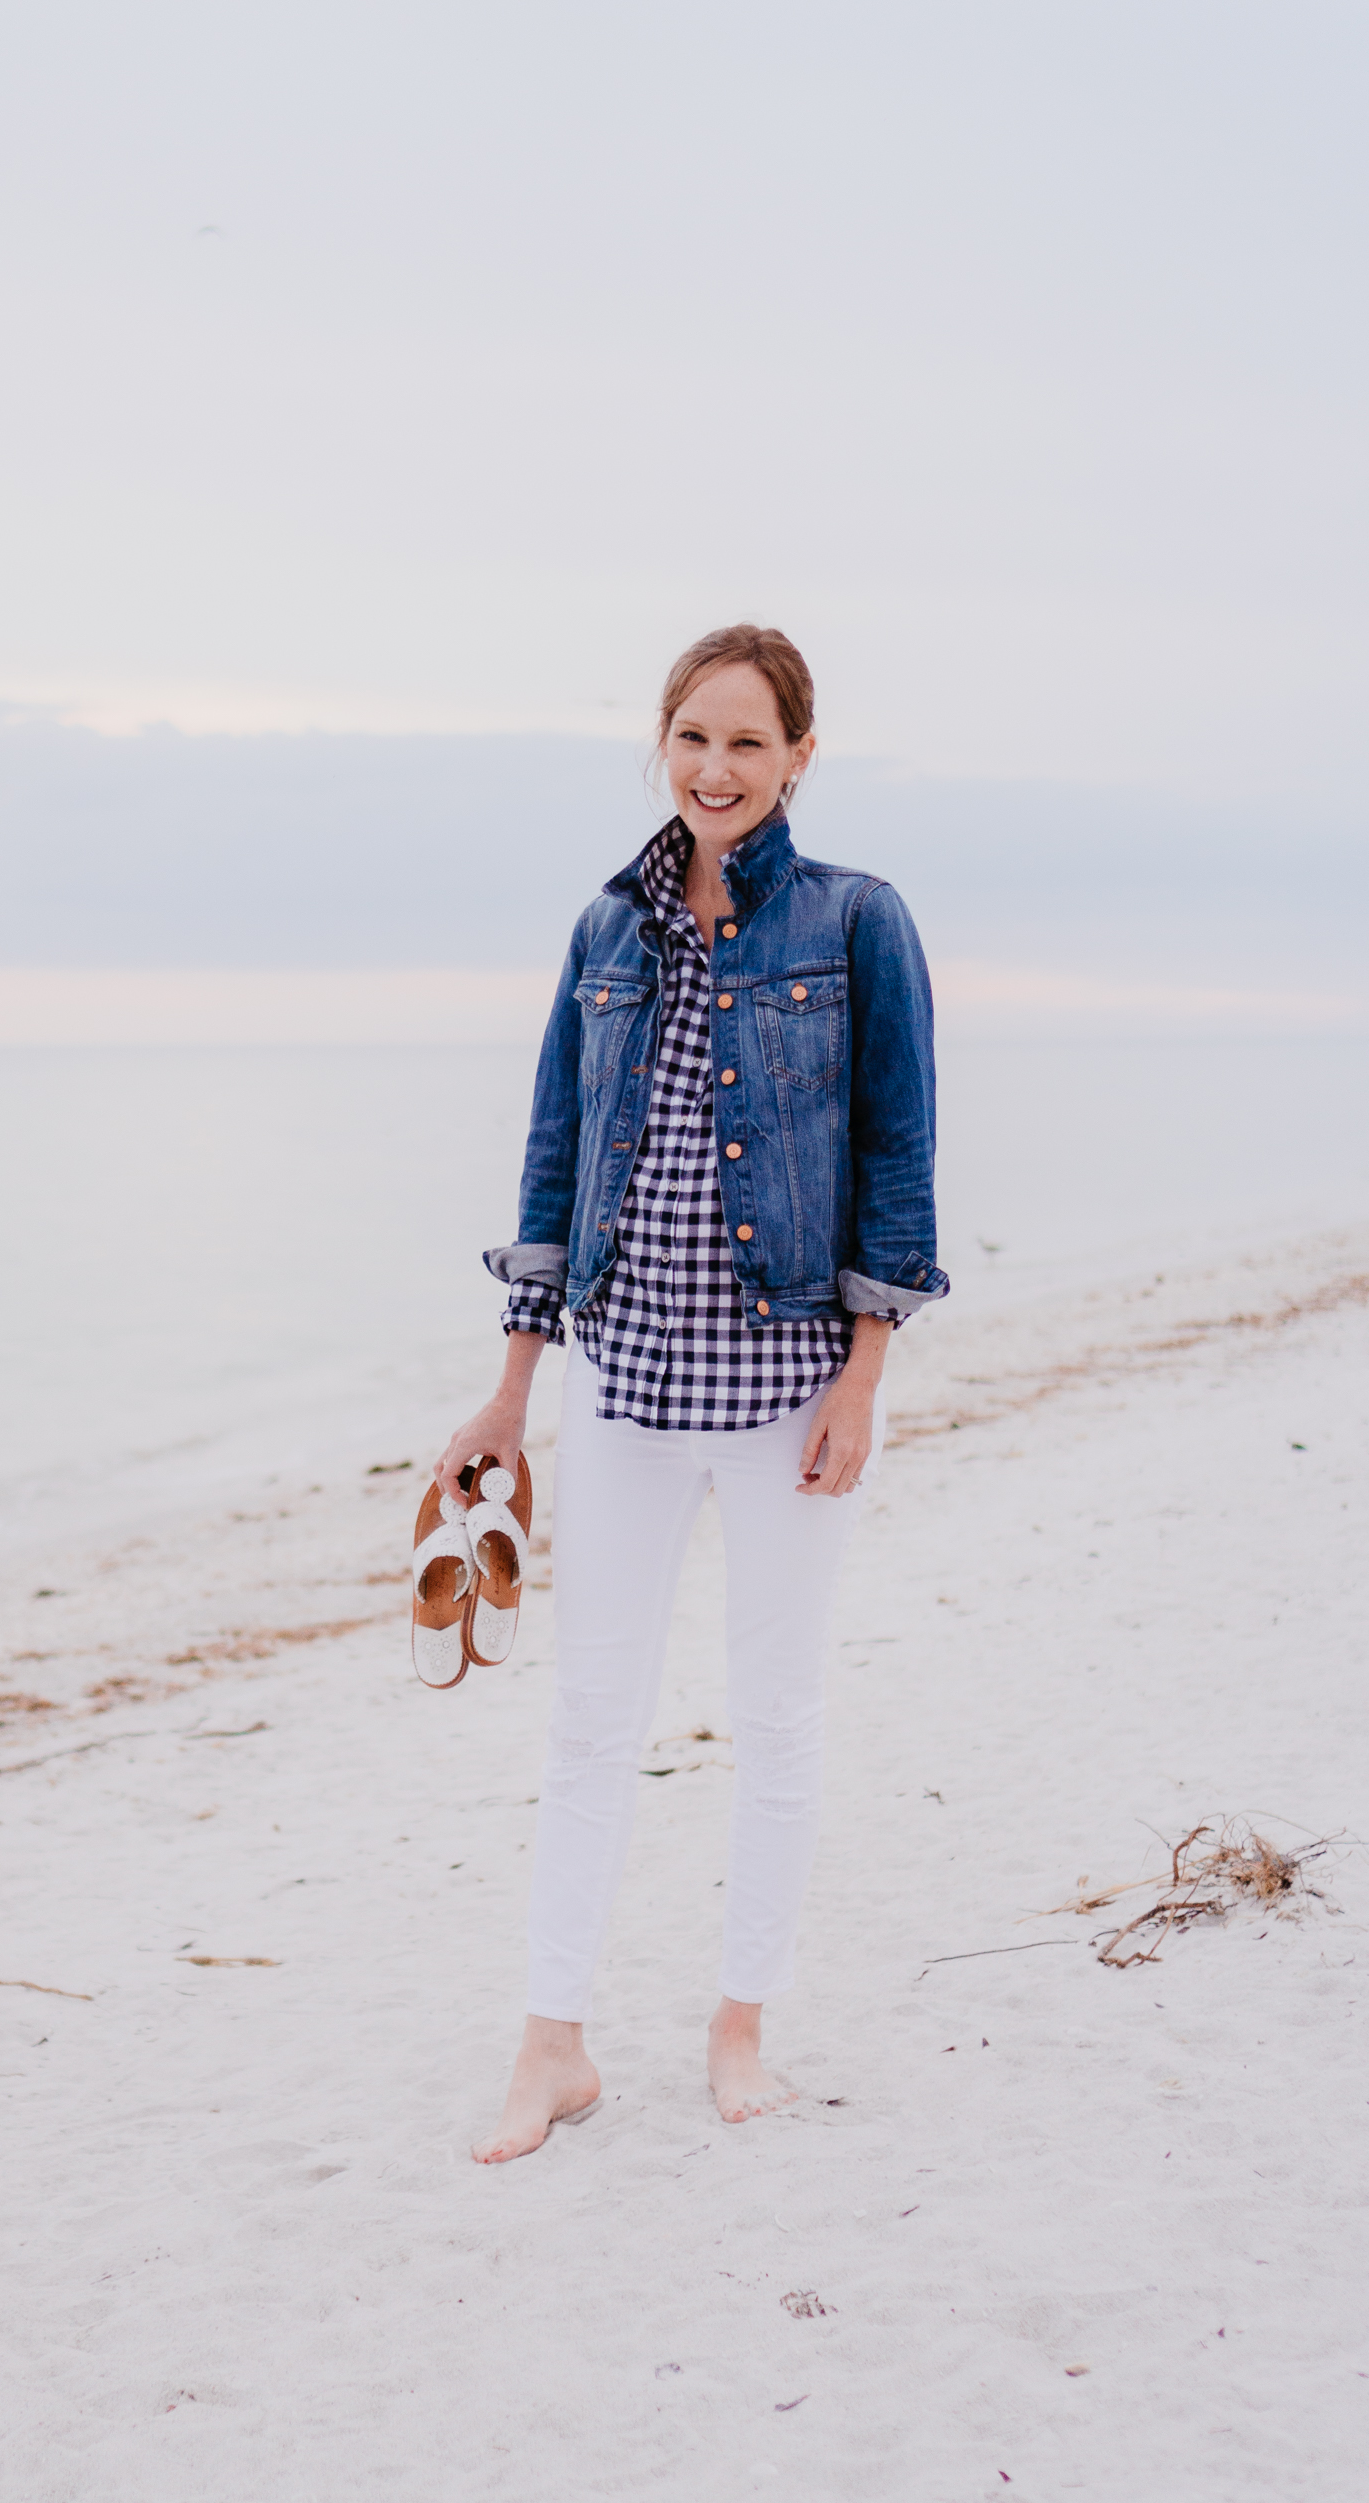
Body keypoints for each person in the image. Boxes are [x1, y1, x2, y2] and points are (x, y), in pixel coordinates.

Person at [434, 624, 946, 2164]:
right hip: (623, 1389)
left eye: (746, 742)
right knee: (594, 1722)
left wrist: (867, 1372)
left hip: (789, 1390)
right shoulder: (608, 930)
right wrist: (510, 1393)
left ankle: (739, 2027)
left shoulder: (858, 922)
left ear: (799, 757)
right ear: (662, 748)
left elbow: (896, 1157)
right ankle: (553, 2046)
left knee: (776, 1721)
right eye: (691, 739)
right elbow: (550, 1157)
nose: (714, 769)